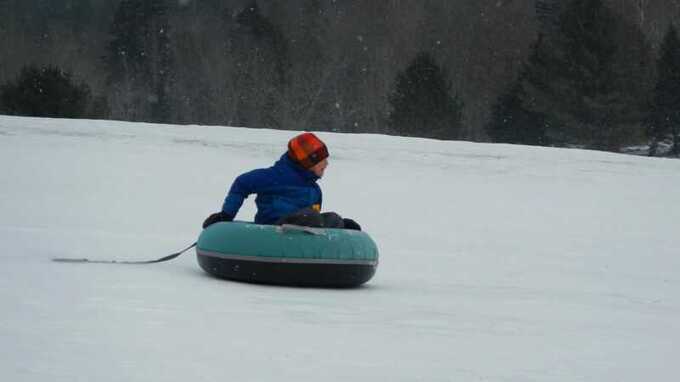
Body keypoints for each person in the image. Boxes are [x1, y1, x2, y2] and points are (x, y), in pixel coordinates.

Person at [202, 132, 361, 230]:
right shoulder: (275, 176)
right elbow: (241, 183)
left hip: (302, 231)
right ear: (307, 162)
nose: (326, 164)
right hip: (273, 229)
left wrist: (339, 226)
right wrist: (226, 215)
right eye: (322, 160)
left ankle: (339, 228)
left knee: (332, 218)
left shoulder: (314, 190)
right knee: (309, 217)